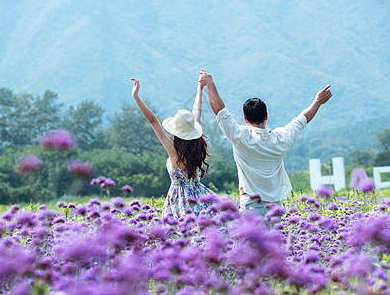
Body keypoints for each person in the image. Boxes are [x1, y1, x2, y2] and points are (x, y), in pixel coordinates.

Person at [198, 70, 332, 217]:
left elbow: (219, 111)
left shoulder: (240, 137)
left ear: (246, 119)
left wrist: (209, 84)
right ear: (266, 116)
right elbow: (301, 120)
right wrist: (318, 101)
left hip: (250, 204)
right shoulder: (280, 139)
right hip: (275, 208)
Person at [130, 77, 217, 220]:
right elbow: (197, 113)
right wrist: (199, 88)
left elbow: (153, 121)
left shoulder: (173, 150)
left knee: (179, 235)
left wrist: (136, 97)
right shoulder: (197, 145)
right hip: (199, 196)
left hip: (179, 201)